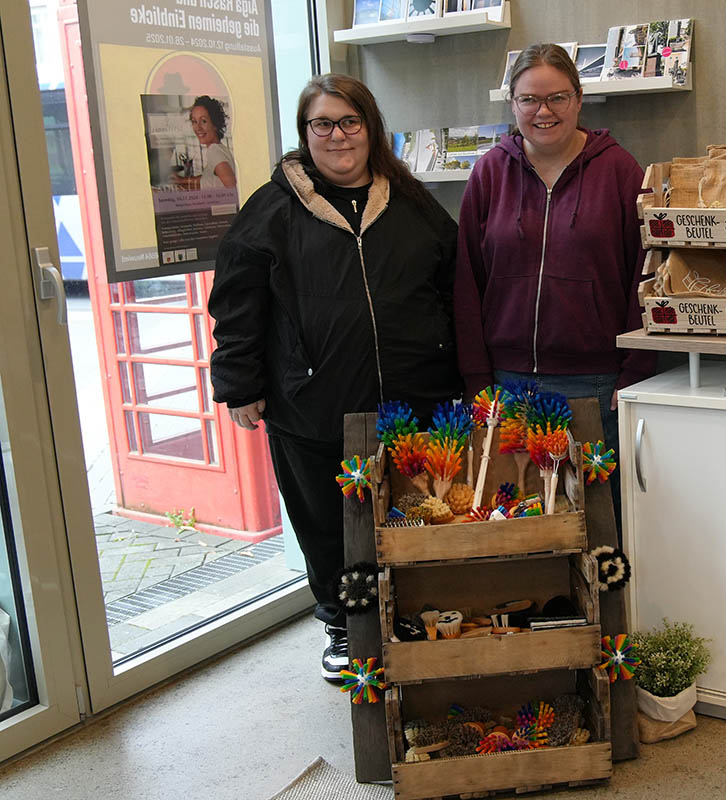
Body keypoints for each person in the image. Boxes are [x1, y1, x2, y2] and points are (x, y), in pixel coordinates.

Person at [208, 74, 460, 682]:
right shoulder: (270, 209)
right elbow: (237, 302)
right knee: (328, 521)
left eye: (350, 122)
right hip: (314, 403)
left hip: (414, 397)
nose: (337, 135)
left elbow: (451, 283)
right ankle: (344, 626)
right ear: (305, 134)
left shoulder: (411, 201)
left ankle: (414, 613)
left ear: (370, 127)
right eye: (322, 124)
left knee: (415, 511)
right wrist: (239, 384)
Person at [454, 43, 655, 528]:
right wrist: (478, 380)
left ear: (580, 99)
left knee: (596, 522)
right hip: (508, 387)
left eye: (557, 98)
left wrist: (634, 372)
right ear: (513, 104)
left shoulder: (620, 170)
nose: (543, 111)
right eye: (528, 100)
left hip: (594, 386)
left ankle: (603, 606)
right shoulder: (488, 172)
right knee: (518, 524)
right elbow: (467, 282)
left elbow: (643, 276)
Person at [175, 95, 236, 189]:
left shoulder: (214, 150)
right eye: (194, 121)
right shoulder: (220, 148)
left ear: (215, 124)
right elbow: (214, 180)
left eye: (203, 121)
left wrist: (183, 181)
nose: (198, 128)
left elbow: (231, 185)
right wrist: (182, 181)